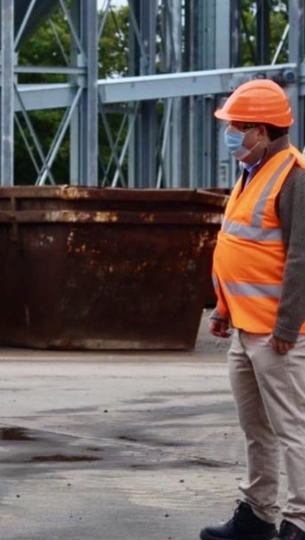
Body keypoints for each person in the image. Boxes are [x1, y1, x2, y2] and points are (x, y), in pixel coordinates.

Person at [202, 78, 305, 540]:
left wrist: (287, 323)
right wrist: (223, 307)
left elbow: (302, 257)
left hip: (278, 332)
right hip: (245, 327)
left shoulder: (294, 176)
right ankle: (259, 515)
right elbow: (240, 246)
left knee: (293, 430)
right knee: (255, 428)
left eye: (238, 127)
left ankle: (300, 522)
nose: (230, 135)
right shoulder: (252, 173)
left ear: (261, 131)